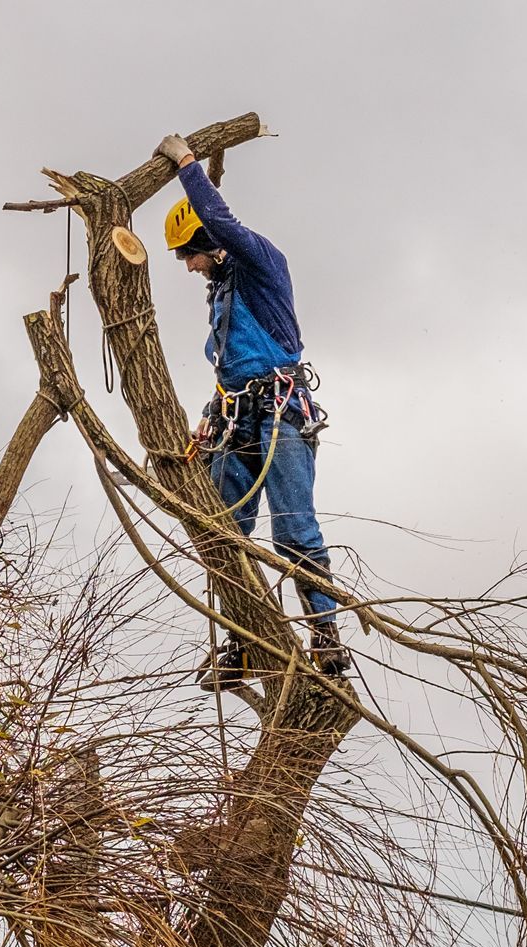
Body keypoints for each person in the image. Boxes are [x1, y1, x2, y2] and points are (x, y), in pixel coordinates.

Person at [153, 132, 350, 688]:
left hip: (281, 414)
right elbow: (233, 369)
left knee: (293, 530)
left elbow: (220, 218)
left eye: (188, 253)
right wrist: (211, 416)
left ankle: (326, 639)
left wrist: (186, 161)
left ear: (208, 241)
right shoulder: (222, 295)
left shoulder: (262, 265)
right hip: (236, 420)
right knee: (225, 532)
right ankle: (246, 642)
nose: (187, 266)